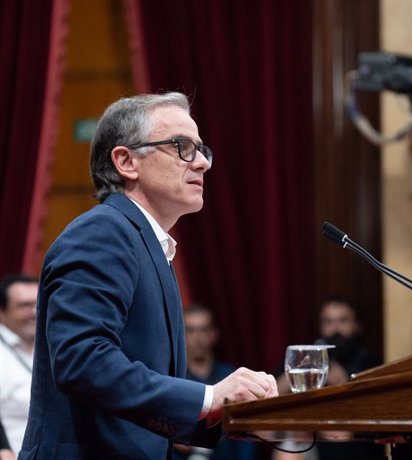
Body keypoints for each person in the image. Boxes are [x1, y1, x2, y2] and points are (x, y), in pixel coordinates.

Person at [19, 92, 277, 459]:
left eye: (202, 149)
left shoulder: (148, 244)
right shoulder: (103, 234)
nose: (202, 162)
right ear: (126, 161)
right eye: (182, 147)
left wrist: (225, 412)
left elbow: (137, 401)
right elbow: (82, 360)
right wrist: (208, 396)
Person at [274, 297, 383, 460]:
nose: (335, 329)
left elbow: (376, 415)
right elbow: (273, 395)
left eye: (343, 321)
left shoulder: (370, 363)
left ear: (358, 326)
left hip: (353, 446)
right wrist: (298, 370)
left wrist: (345, 385)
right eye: (328, 322)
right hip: (307, 441)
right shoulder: (307, 356)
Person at [174, 304, 256, 460]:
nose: (198, 338)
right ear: (181, 335)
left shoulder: (233, 377)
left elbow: (245, 435)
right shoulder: (173, 379)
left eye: (203, 330)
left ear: (214, 334)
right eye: (191, 330)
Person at [0, 274, 38, 455]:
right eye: (25, 306)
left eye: (38, 305)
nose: (35, 312)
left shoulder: (49, 347)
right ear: (2, 311)